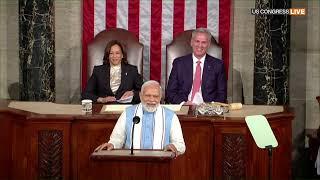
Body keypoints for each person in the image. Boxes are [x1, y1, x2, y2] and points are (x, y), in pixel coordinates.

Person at [94, 80, 186, 156]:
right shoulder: (128, 113)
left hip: (161, 164)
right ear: (141, 96)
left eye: (155, 96)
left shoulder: (171, 116)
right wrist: (112, 144)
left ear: (160, 97)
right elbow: (117, 139)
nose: (151, 100)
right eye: (148, 95)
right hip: (132, 163)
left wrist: (174, 146)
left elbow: (180, 145)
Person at [165, 28, 227, 104]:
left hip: (208, 109)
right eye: (197, 41)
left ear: (208, 44)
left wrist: (210, 107)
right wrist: (183, 103)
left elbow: (222, 95)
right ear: (191, 42)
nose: (200, 45)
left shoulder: (218, 65)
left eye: (204, 42)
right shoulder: (179, 63)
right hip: (184, 106)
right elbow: (170, 92)